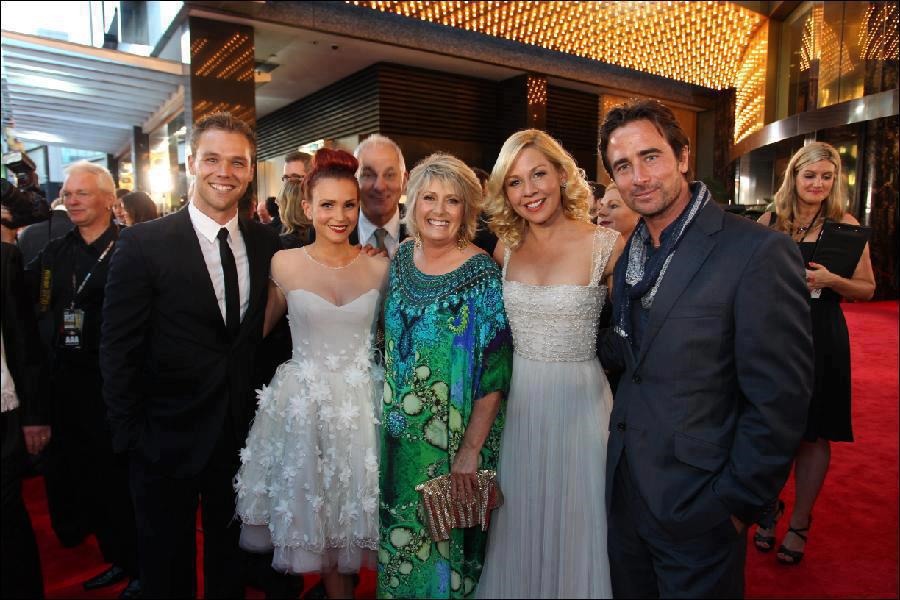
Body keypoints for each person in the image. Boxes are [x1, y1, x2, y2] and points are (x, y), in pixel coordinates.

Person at [597, 99, 814, 598]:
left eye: (650, 157)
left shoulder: (756, 251)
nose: (639, 178)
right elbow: (632, 356)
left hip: (701, 504)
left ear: (683, 156)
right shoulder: (632, 248)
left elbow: (780, 399)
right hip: (626, 491)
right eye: (623, 166)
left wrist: (736, 504)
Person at [100, 112, 282, 598]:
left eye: (237, 162)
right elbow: (117, 349)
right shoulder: (142, 244)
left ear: (250, 171)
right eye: (213, 159)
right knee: (166, 568)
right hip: (162, 439)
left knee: (230, 563)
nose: (225, 171)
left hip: (238, 436)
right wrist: (130, 439)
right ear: (191, 164)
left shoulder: (267, 243)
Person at [235, 148, 389, 599]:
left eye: (348, 205)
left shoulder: (380, 266)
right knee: (317, 519)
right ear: (306, 207)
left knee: (353, 521)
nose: (339, 216)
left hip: (364, 408)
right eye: (327, 205)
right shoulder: (284, 264)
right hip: (303, 406)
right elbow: (253, 333)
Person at [476, 130, 622, 599]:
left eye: (539, 174)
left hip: (581, 402)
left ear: (562, 175)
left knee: (580, 515)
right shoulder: (504, 249)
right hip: (519, 407)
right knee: (522, 515)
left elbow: (633, 339)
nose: (530, 190)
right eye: (515, 182)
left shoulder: (608, 245)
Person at [378, 153, 513, 598]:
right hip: (400, 444)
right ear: (412, 203)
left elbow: (495, 376)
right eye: (429, 198)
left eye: (452, 201)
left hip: (455, 443)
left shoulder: (483, 275)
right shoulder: (398, 260)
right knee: (400, 555)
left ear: (467, 210)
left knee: (445, 563)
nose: (439, 210)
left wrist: (470, 452)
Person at [754, 142, 875, 565]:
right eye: (811, 176)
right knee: (770, 425)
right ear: (794, 177)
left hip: (822, 334)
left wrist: (832, 279)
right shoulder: (770, 221)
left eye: (827, 177)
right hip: (774, 334)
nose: (818, 184)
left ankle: (800, 522)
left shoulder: (845, 223)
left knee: (814, 431)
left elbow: (867, 288)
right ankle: (767, 509)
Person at [24, 161, 141, 598]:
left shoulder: (134, 247)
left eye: (82, 193)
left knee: (127, 484)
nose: (71, 200)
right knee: (93, 480)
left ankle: (143, 565)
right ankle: (120, 557)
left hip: (123, 386)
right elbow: (25, 293)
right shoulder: (55, 253)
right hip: (71, 387)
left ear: (110, 199)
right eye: (68, 194)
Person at [1, 207, 50, 600]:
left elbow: (23, 340)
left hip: (3, 410)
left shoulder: (5, 258)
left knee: (7, 516)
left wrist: (34, 416)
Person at [353, 134, 409, 256]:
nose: (380, 186)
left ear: (404, 181)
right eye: (368, 175)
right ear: (353, 181)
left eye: (389, 175)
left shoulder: (423, 229)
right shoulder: (327, 231)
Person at [276, 179, 311, 249]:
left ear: (286, 208)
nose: (279, 210)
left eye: (279, 205)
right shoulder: (318, 235)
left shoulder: (281, 244)